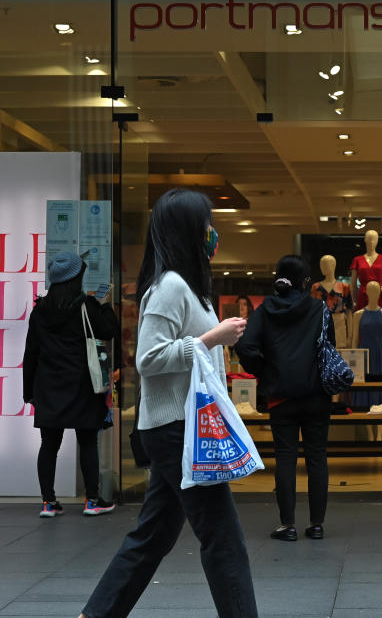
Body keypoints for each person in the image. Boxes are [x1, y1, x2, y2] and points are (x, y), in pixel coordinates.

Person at [79, 189, 257, 618]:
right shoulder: (170, 287)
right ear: (187, 231)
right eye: (206, 225)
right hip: (178, 430)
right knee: (223, 540)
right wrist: (212, 338)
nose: (213, 233)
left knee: (153, 535)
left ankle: (97, 613)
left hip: (176, 427)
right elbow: (149, 358)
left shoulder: (190, 288)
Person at [235, 255, 332, 542]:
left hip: (281, 397)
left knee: (285, 457)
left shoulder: (265, 310)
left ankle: (287, 524)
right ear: (303, 281)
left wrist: (267, 371)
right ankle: (317, 525)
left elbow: (246, 348)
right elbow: (330, 347)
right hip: (316, 394)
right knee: (317, 457)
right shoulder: (319, 308)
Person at [22, 251, 119, 517]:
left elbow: (31, 352)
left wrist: (28, 392)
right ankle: (92, 500)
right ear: (76, 277)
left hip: (48, 385)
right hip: (82, 384)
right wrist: (105, 304)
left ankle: (48, 503)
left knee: (49, 444)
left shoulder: (40, 309)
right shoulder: (86, 306)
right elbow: (109, 330)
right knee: (87, 441)